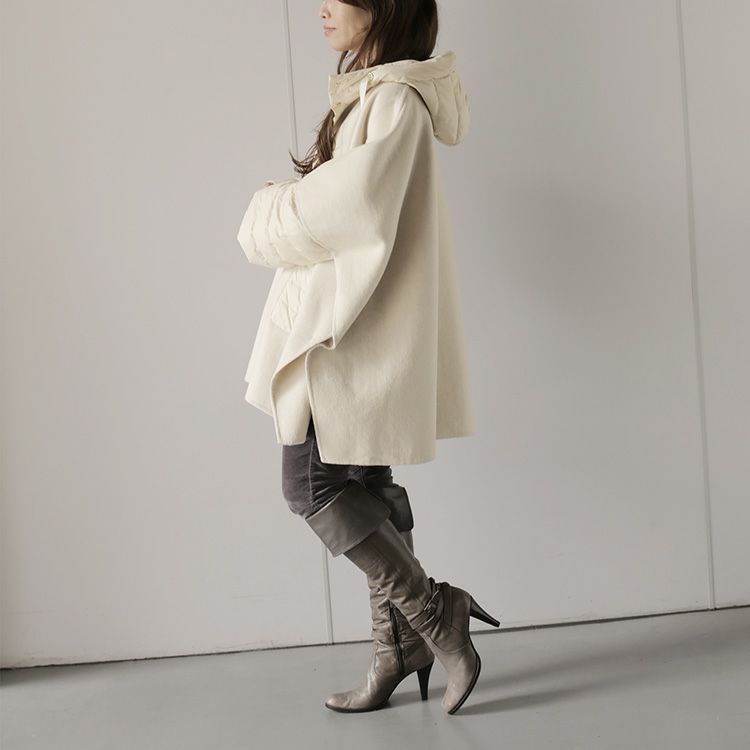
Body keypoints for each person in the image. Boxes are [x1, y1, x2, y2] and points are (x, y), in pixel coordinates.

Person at [236, 0, 500, 715]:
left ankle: (435, 615)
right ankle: (397, 649)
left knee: (310, 486)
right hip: (355, 329)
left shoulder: (393, 103)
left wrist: (271, 207)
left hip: (348, 334)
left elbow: (345, 211)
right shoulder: (378, 97)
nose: (322, 7)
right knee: (364, 481)